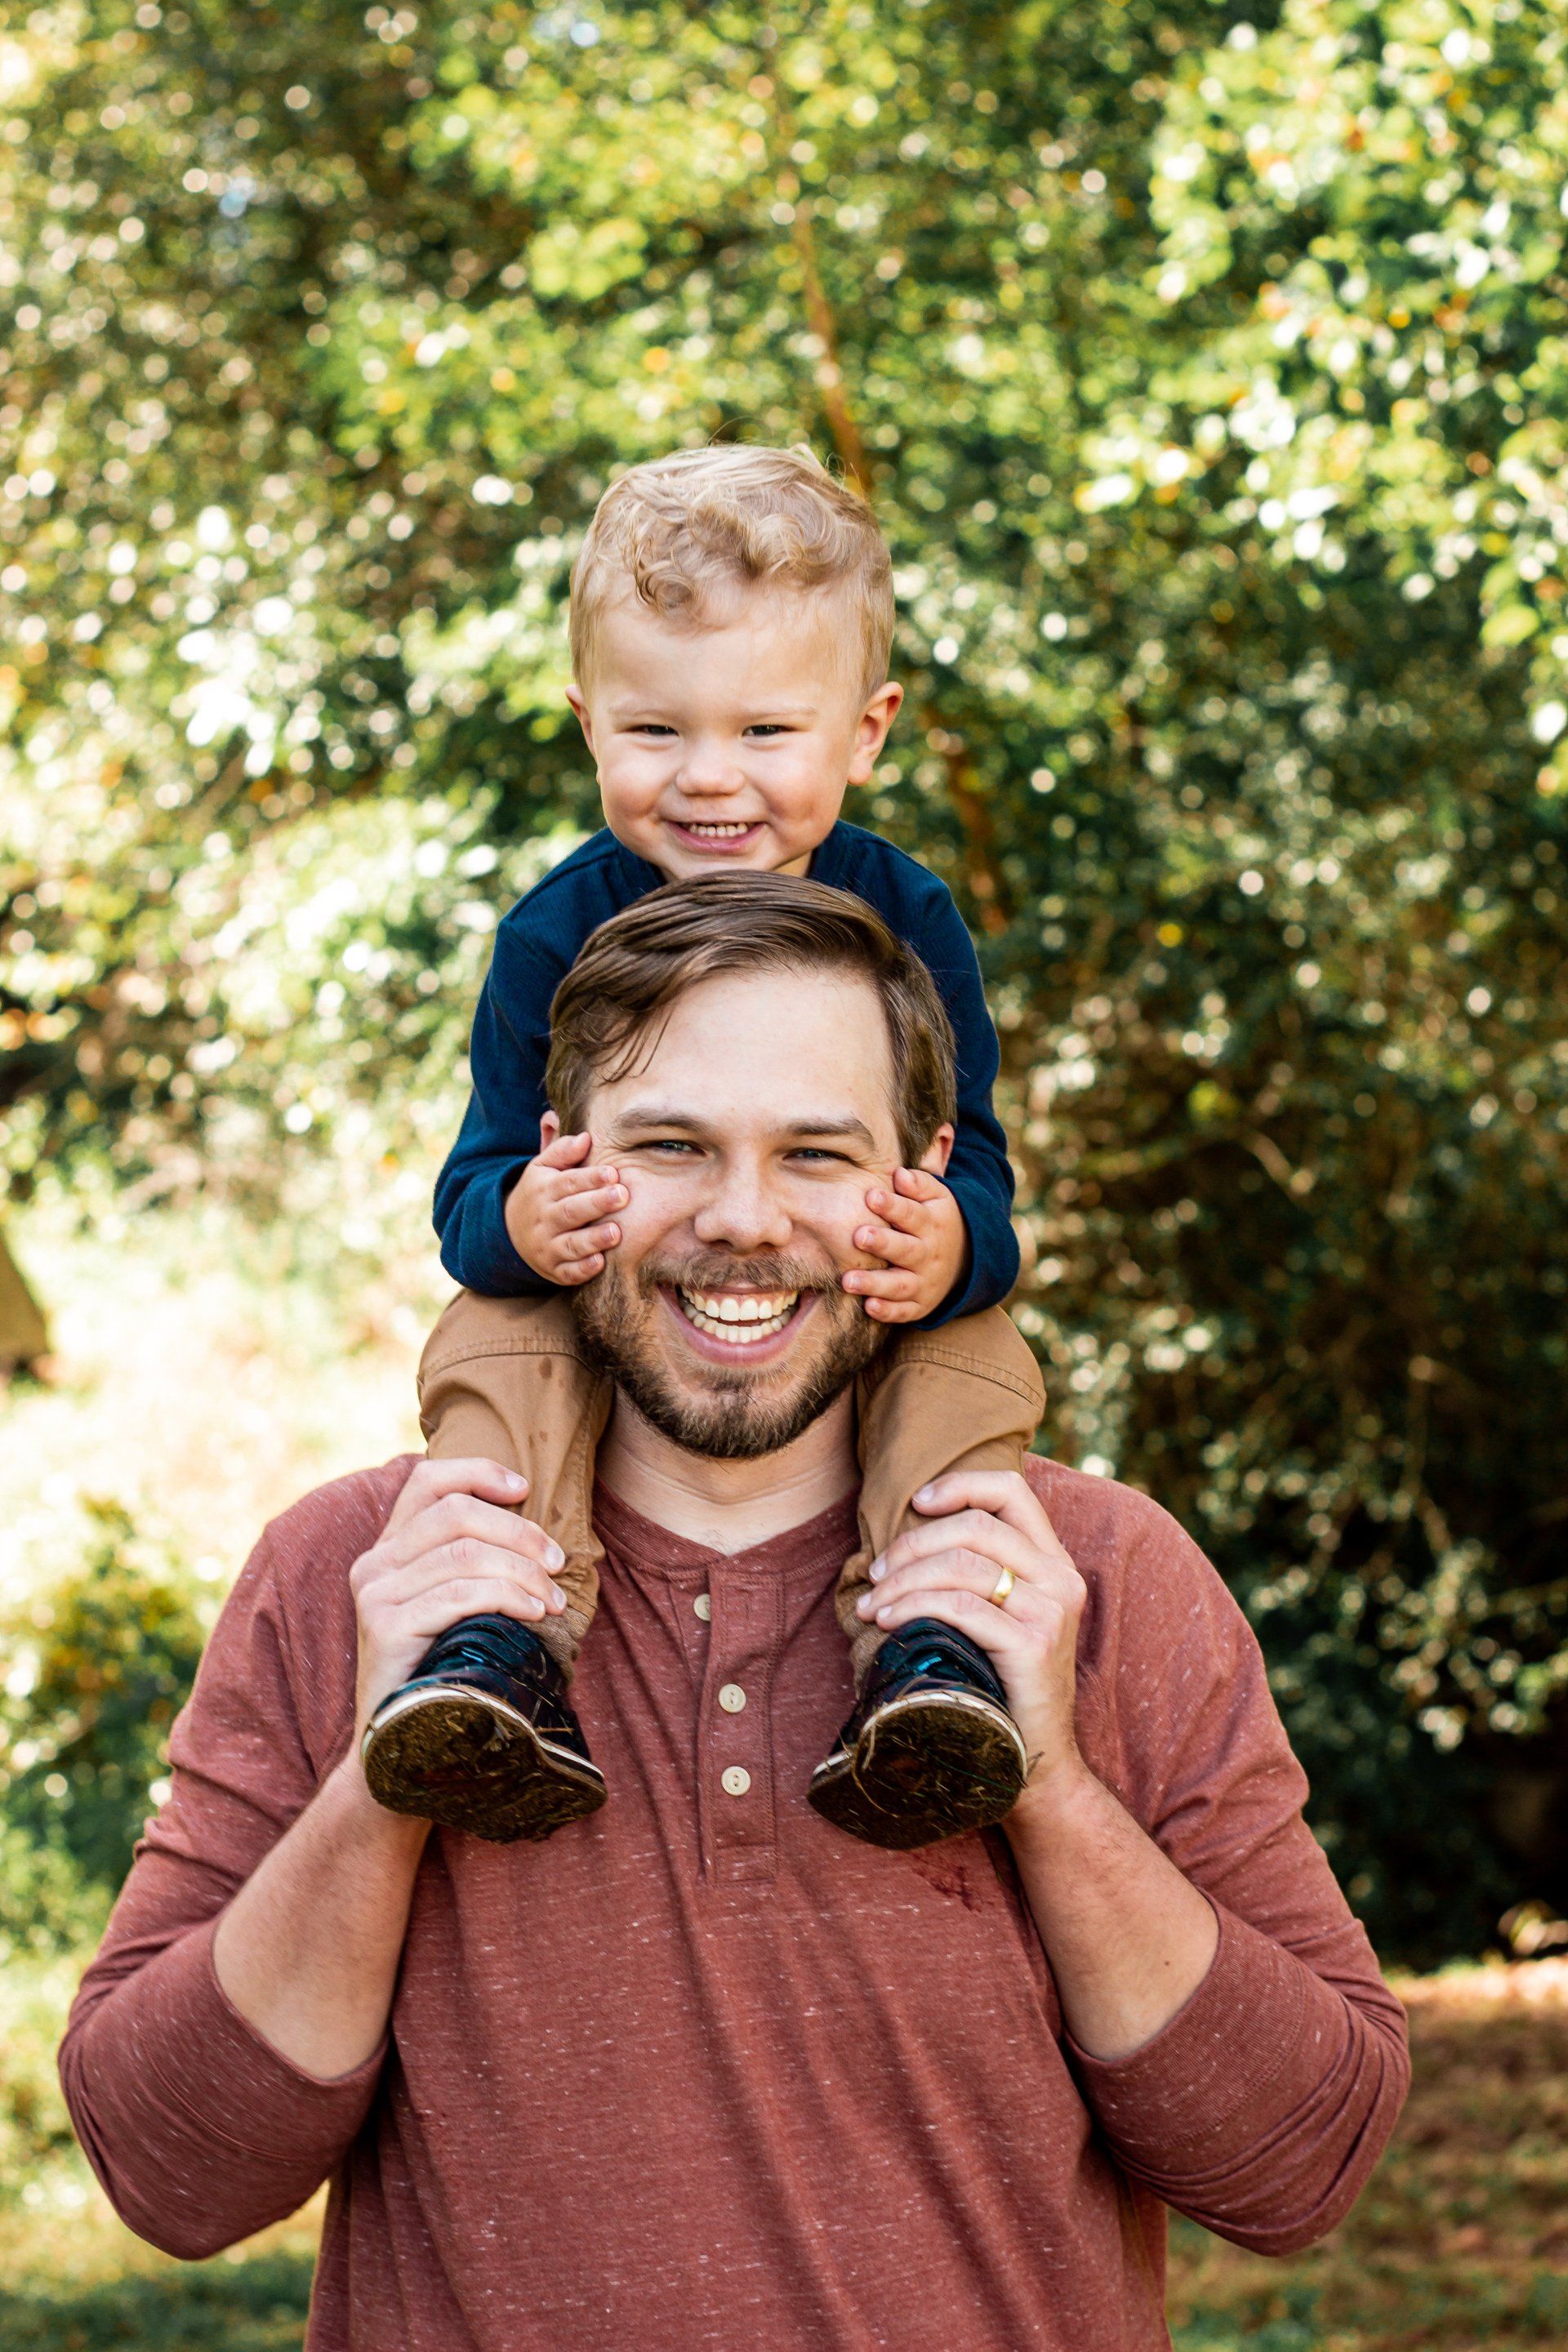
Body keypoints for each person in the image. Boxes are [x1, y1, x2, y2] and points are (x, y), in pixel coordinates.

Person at [60, 880, 1410, 2352]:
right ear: (565, 1163)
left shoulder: (1096, 1573)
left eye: (818, 1155)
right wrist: (383, 1779)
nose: (745, 1219)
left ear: (930, 1178)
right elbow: (173, 2176)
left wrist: (1057, 1789)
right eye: (671, 1148)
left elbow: (1299, 2168)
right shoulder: (361, 1570)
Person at [361, 441, 1045, 1850]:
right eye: (658, 732)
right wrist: (524, 1221)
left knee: (976, 1360)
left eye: (766, 733)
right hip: (600, 1288)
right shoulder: (555, 934)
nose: (709, 781)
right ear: (589, 726)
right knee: (495, 1338)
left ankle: (931, 1653)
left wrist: (955, 1237)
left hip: (854, 1287)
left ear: (866, 731)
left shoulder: (906, 921)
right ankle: (497, 1645)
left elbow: (977, 1166)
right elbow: (470, 1191)